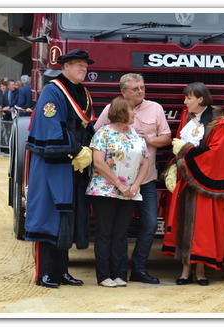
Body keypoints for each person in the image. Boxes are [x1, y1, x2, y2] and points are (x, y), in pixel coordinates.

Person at [24, 49, 96, 288]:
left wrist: (90, 149)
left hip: (75, 166)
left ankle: (61, 271)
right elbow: (51, 127)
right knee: (48, 216)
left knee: (67, 217)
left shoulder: (82, 92)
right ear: (64, 66)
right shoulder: (52, 90)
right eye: (78, 65)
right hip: (53, 163)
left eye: (85, 65)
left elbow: (86, 126)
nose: (83, 69)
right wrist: (76, 151)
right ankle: (44, 273)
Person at [94, 73, 171, 284]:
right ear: (124, 92)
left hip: (143, 182)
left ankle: (137, 269)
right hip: (111, 185)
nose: (141, 92)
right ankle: (109, 273)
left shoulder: (154, 108)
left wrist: (148, 139)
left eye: (143, 88)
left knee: (149, 224)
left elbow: (166, 138)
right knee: (110, 231)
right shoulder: (109, 112)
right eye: (135, 88)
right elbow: (96, 137)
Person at [162, 82, 224, 286]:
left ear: (201, 99)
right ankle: (185, 270)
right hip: (185, 181)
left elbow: (215, 153)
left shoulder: (219, 121)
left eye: (188, 98)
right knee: (184, 224)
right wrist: (172, 167)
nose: (185, 102)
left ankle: (202, 271)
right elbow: (177, 144)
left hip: (206, 183)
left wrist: (185, 149)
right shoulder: (186, 117)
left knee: (202, 229)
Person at [87, 96, 150, 287]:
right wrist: (119, 184)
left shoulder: (135, 135)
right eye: (131, 110)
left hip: (129, 192)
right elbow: (98, 162)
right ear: (122, 112)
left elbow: (145, 161)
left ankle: (118, 274)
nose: (134, 113)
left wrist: (135, 185)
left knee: (120, 234)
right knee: (105, 233)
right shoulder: (103, 133)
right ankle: (104, 275)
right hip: (105, 191)